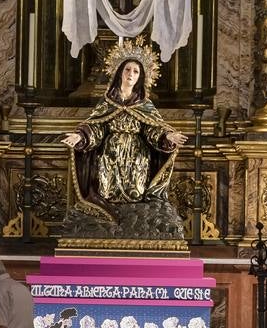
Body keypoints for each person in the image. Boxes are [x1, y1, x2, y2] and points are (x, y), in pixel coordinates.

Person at [62, 37, 187, 226]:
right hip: (110, 154)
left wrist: (167, 136)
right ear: (120, 72)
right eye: (127, 69)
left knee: (136, 191)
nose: (131, 74)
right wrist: (80, 136)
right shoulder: (108, 103)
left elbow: (153, 130)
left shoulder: (144, 104)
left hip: (137, 156)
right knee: (107, 191)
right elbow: (96, 127)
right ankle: (109, 218)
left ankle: (134, 219)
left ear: (140, 77)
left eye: (136, 71)